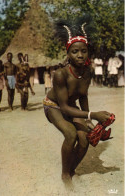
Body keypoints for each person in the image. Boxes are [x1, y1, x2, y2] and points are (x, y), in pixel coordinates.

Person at [43, 21, 111, 186]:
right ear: (68, 54)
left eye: (83, 51)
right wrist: (92, 115)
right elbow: (64, 107)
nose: (80, 55)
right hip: (54, 106)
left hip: (70, 106)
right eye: (75, 51)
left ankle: (72, 169)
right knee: (71, 134)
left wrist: (89, 121)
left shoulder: (87, 73)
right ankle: (65, 175)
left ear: (88, 52)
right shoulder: (60, 75)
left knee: (84, 139)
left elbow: (83, 96)